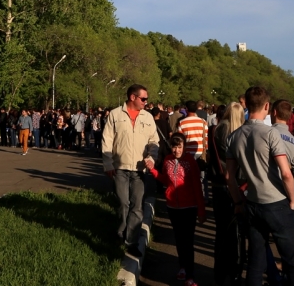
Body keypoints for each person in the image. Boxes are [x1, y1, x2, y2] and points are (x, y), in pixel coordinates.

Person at [225, 86, 294, 286]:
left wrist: (237, 201)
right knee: (293, 259)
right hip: (276, 201)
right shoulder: (270, 134)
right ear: (267, 106)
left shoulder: (234, 136)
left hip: (252, 202)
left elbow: (229, 176)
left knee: (256, 258)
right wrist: (293, 199)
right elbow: (286, 173)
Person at [102, 84, 159, 253]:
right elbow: (107, 140)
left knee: (137, 206)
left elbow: (154, 141)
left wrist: (151, 158)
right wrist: (107, 164)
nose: (146, 102)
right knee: (123, 203)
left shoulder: (147, 117)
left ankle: (131, 241)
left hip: (139, 169)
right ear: (132, 97)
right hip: (120, 166)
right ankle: (121, 233)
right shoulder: (115, 114)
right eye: (143, 99)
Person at [145, 134, 206, 286]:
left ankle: (190, 275)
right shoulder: (167, 160)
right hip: (173, 206)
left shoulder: (191, 162)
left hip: (189, 207)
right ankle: (182, 267)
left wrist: (201, 210)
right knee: (179, 239)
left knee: (188, 241)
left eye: (179, 147)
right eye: (174, 146)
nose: (177, 150)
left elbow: (197, 187)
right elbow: (166, 179)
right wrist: (153, 171)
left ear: (184, 147)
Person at [208, 102, 245, 286]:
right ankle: (234, 271)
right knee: (236, 233)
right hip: (235, 186)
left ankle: (219, 272)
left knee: (221, 231)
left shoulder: (215, 130)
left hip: (217, 183)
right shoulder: (238, 134)